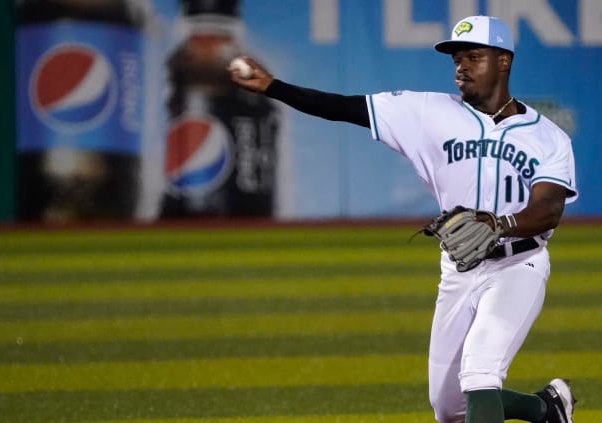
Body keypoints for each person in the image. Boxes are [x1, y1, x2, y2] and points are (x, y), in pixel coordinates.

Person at [229, 15, 578, 423]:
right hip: (459, 268)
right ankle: (546, 408)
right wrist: (274, 87)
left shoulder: (547, 136)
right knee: (448, 408)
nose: (460, 66)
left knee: (481, 375)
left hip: (518, 266)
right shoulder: (425, 111)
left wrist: (500, 226)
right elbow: (343, 108)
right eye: (456, 59)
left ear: (503, 61)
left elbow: (549, 208)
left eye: (473, 56)